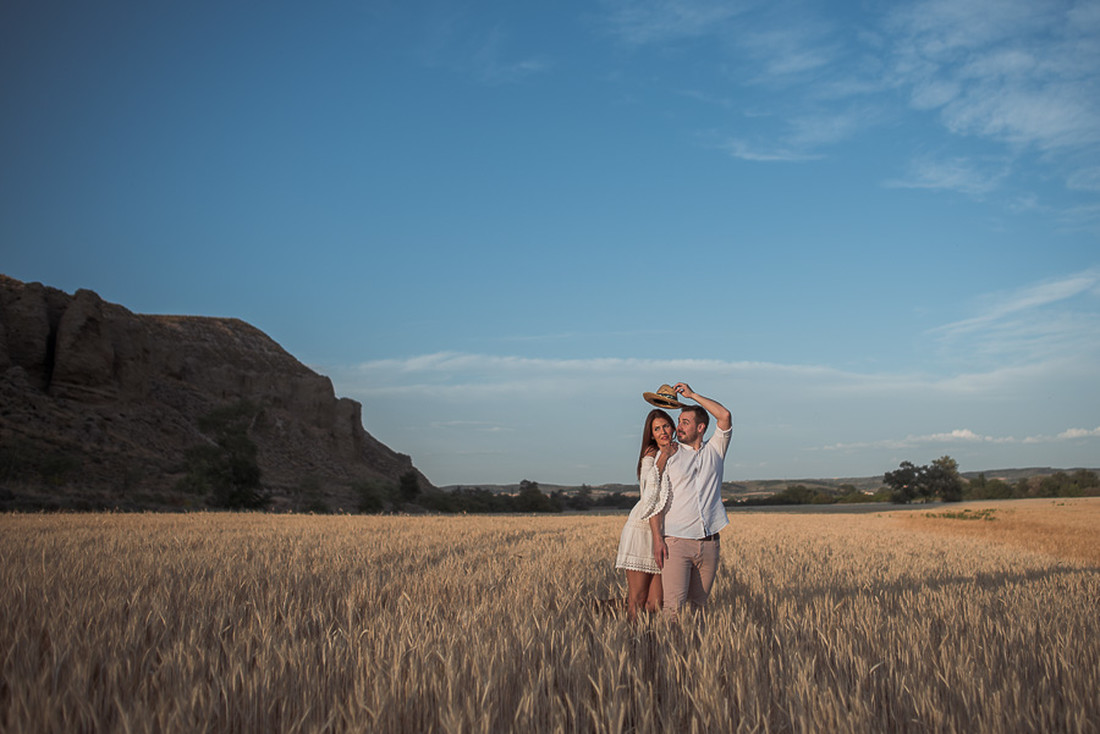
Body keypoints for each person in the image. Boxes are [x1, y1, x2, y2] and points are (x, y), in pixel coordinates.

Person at [648, 383, 732, 615]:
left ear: (701, 427)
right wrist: (657, 538)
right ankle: (668, 652)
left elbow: (724, 415)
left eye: (685, 422)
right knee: (673, 610)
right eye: (679, 422)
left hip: (710, 543)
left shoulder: (715, 450)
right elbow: (655, 500)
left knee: (699, 610)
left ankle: (694, 651)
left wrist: (693, 395)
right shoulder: (669, 455)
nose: (679, 427)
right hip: (676, 543)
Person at [614, 408, 677, 618]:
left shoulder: (677, 451)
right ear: (651, 434)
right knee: (638, 599)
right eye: (657, 429)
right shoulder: (650, 456)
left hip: (661, 531)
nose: (662, 432)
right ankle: (633, 646)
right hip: (642, 530)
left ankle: (650, 647)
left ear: (673, 427)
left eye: (665, 426)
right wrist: (664, 456)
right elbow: (649, 494)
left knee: (656, 603)